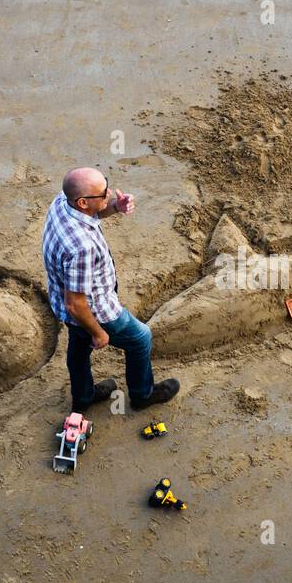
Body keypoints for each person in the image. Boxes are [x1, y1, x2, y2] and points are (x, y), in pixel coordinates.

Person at [42, 166, 179, 412]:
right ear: (83, 201)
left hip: (65, 302)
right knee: (140, 338)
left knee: (78, 346)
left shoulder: (62, 201)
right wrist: (98, 332)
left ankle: (83, 397)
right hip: (95, 309)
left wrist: (115, 207)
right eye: (103, 194)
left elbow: (91, 213)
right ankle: (142, 394)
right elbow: (76, 304)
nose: (109, 196)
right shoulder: (81, 247)